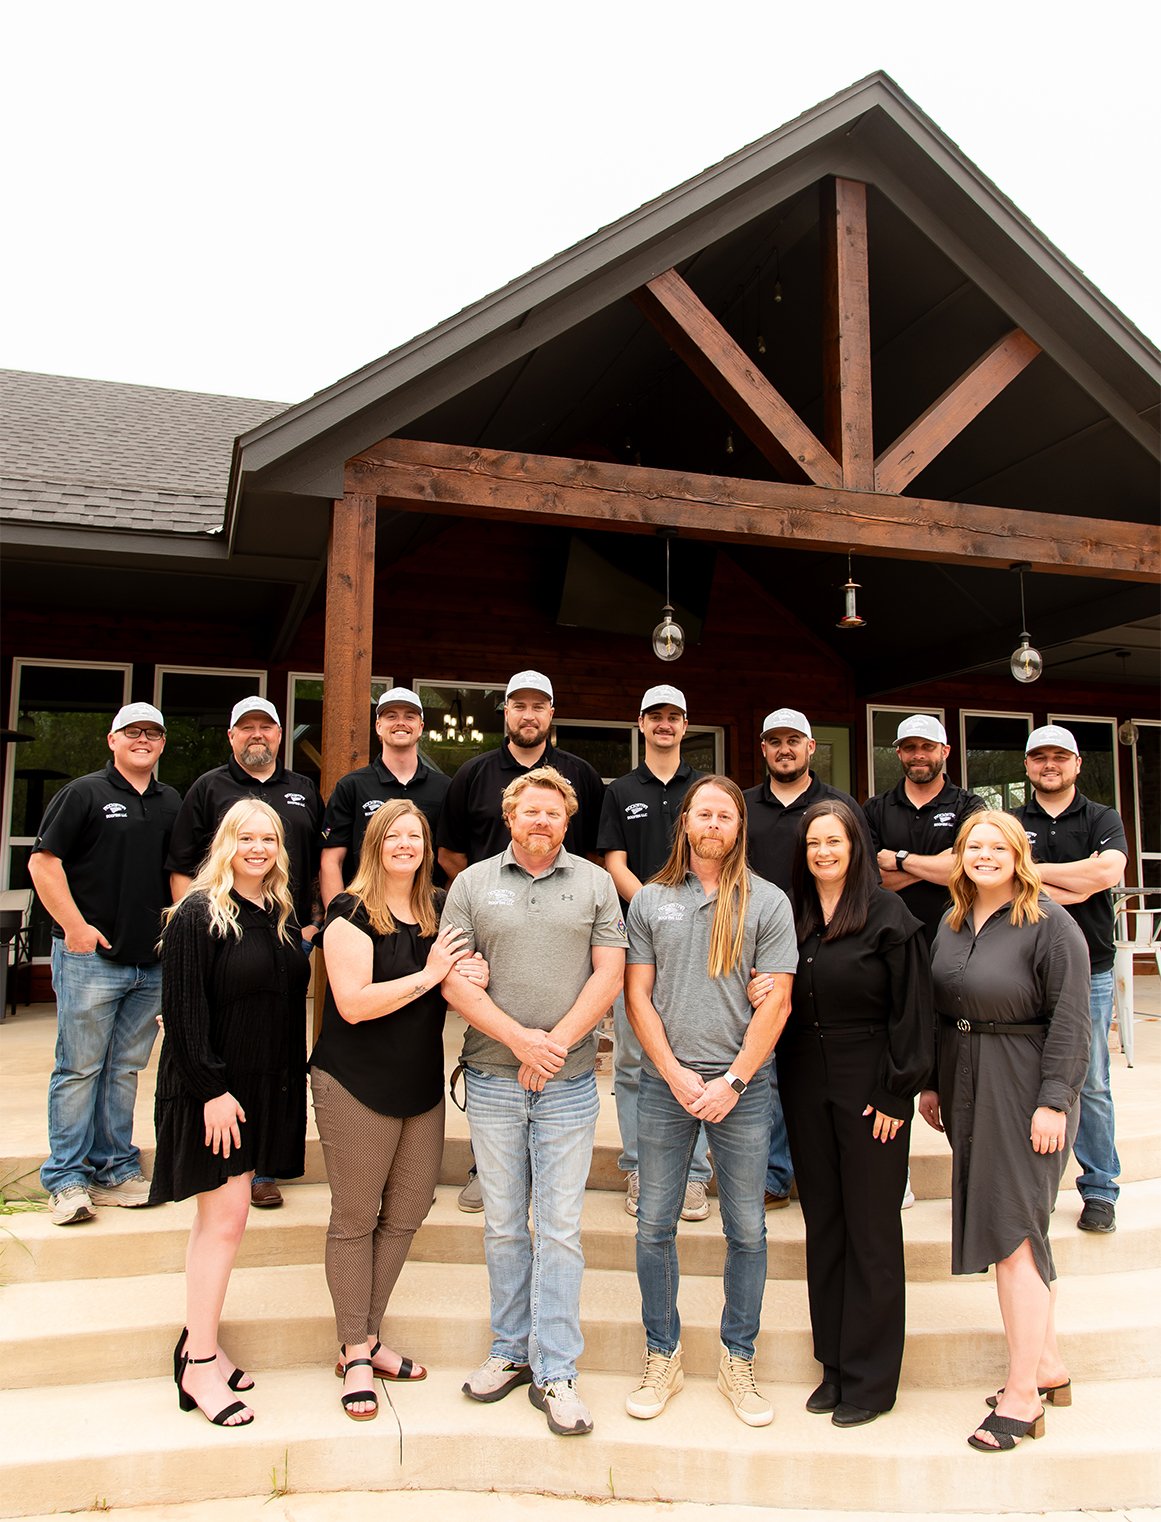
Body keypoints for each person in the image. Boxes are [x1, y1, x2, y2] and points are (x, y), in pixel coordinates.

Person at [441, 766, 626, 1437]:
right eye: (530, 812)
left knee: (559, 1227)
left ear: (566, 821)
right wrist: (521, 1042)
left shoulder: (596, 883)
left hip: (569, 1085)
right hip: (491, 1080)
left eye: (554, 813)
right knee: (501, 1225)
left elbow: (609, 973)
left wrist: (554, 1048)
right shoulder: (471, 885)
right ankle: (508, 1350)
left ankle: (556, 1369)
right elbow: (454, 982)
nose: (542, 822)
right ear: (510, 816)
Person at [624, 776, 797, 1429]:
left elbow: (775, 999)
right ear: (687, 823)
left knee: (746, 1230)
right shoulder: (649, 900)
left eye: (725, 814)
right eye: (704, 812)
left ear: (737, 826)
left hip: (741, 1091)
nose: (714, 823)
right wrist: (671, 1073)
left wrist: (732, 1081)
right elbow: (637, 996)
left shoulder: (767, 903)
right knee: (653, 1225)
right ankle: (661, 1354)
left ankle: (737, 1358)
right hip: (667, 1088)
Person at [311, 799, 488, 1419]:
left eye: (416, 835)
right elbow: (353, 1004)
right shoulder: (349, 913)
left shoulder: (439, 910)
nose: (407, 845)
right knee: (357, 1216)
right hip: (355, 1081)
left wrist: (471, 973)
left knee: (409, 1209)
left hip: (419, 1083)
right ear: (375, 844)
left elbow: (459, 980)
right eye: (395, 836)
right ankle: (355, 1350)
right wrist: (432, 972)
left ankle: (368, 1334)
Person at [920, 811, 1090, 1453]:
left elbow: (1072, 1023)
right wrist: (934, 1080)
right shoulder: (954, 920)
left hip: (1025, 1090)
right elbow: (944, 1010)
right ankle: (1047, 1366)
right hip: (968, 1083)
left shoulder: (1050, 923)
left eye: (997, 846)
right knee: (1013, 1230)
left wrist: (1054, 1103)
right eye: (973, 846)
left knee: (1014, 1235)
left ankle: (1023, 1399)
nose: (984, 855)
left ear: (1018, 854)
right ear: (959, 855)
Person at [150, 800, 312, 1428]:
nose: (258, 846)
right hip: (212, 1095)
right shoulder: (197, 912)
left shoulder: (276, 910)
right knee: (225, 1222)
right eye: (246, 836)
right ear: (226, 842)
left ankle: (200, 1345)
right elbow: (183, 1015)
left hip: (257, 1088)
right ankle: (198, 1368)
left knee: (220, 1223)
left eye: (268, 837)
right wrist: (212, 1091)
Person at [776, 799, 932, 1427]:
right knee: (826, 1226)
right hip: (807, 1086)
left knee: (871, 1232)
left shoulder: (890, 916)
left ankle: (871, 1379)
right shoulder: (797, 915)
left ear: (856, 847)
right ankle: (834, 1365)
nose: (823, 852)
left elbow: (913, 1013)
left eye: (834, 841)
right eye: (813, 843)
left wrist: (899, 1093)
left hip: (873, 1088)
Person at [437, 670, 606, 1212]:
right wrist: (487, 903)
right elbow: (450, 851)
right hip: (493, 932)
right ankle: (486, 1171)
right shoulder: (473, 773)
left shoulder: (581, 774)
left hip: (563, 924)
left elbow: (596, 856)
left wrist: (547, 1046)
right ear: (505, 712)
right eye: (518, 705)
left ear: (552, 713)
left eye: (540, 706)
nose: (529, 715)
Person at [166, 695, 325, 1209]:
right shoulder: (208, 787)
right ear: (232, 736)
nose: (257, 735)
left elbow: (320, 860)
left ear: (281, 735)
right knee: (229, 1041)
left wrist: (308, 927)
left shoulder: (302, 789)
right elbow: (182, 863)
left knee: (276, 1047)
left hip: (282, 931)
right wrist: (198, 932)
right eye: (246, 727)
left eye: (267, 726)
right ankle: (234, 1157)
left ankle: (266, 1166)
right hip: (223, 936)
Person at [28, 702, 181, 1226]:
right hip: (90, 958)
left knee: (124, 1069)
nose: (144, 740)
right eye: (133, 732)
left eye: (153, 733)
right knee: (79, 1068)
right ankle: (66, 1179)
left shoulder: (171, 801)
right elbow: (43, 863)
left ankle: (115, 1167)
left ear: (162, 744)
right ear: (111, 739)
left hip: (151, 962)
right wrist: (75, 927)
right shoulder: (84, 793)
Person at [743, 707, 870, 1212]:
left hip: (825, 950)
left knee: (821, 1060)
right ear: (763, 747)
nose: (784, 749)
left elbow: (862, 880)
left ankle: (828, 1166)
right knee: (768, 1063)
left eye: (794, 739)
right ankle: (776, 1172)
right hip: (759, 953)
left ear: (811, 747)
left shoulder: (840, 806)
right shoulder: (745, 806)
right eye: (774, 741)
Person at [597, 683, 711, 1220]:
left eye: (674, 716)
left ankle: (693, 1175)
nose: (665, 724)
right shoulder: (619, 790)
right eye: (655, 716)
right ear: (640, 723)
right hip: (637, 941)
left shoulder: (706, 789)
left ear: (685, 725)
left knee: (700, 1054)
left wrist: (685, 914)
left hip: (702, 941)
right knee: (633, 1060)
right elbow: (614, 863)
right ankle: (640, 1169)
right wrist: (658, 908)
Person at [1014, 725, 1128, 1234]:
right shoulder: (1011, 821)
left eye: (1060, 757)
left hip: (1091, 970)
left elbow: (1106, 876)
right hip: (1022, 968)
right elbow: (997, 876)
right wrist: (1072, 877)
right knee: (1022, 1079)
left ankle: (1100, 1188)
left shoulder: (1103, 817)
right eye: (1040, 757)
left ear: (1077, 764)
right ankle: (1028, 1190)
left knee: (1091, 1078)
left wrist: (1034, 874)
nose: (1050, 765)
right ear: (1028, 765)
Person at [320, 687, 450, 904]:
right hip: (365, 910)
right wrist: (338, 919)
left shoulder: (445, 787)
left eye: (409, 716)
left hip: (426, 914)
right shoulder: (351, 786)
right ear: (378, 727)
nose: (401, 722)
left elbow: (452, 860)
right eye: (391, 716)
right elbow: (332, 860)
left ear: (421, 728)